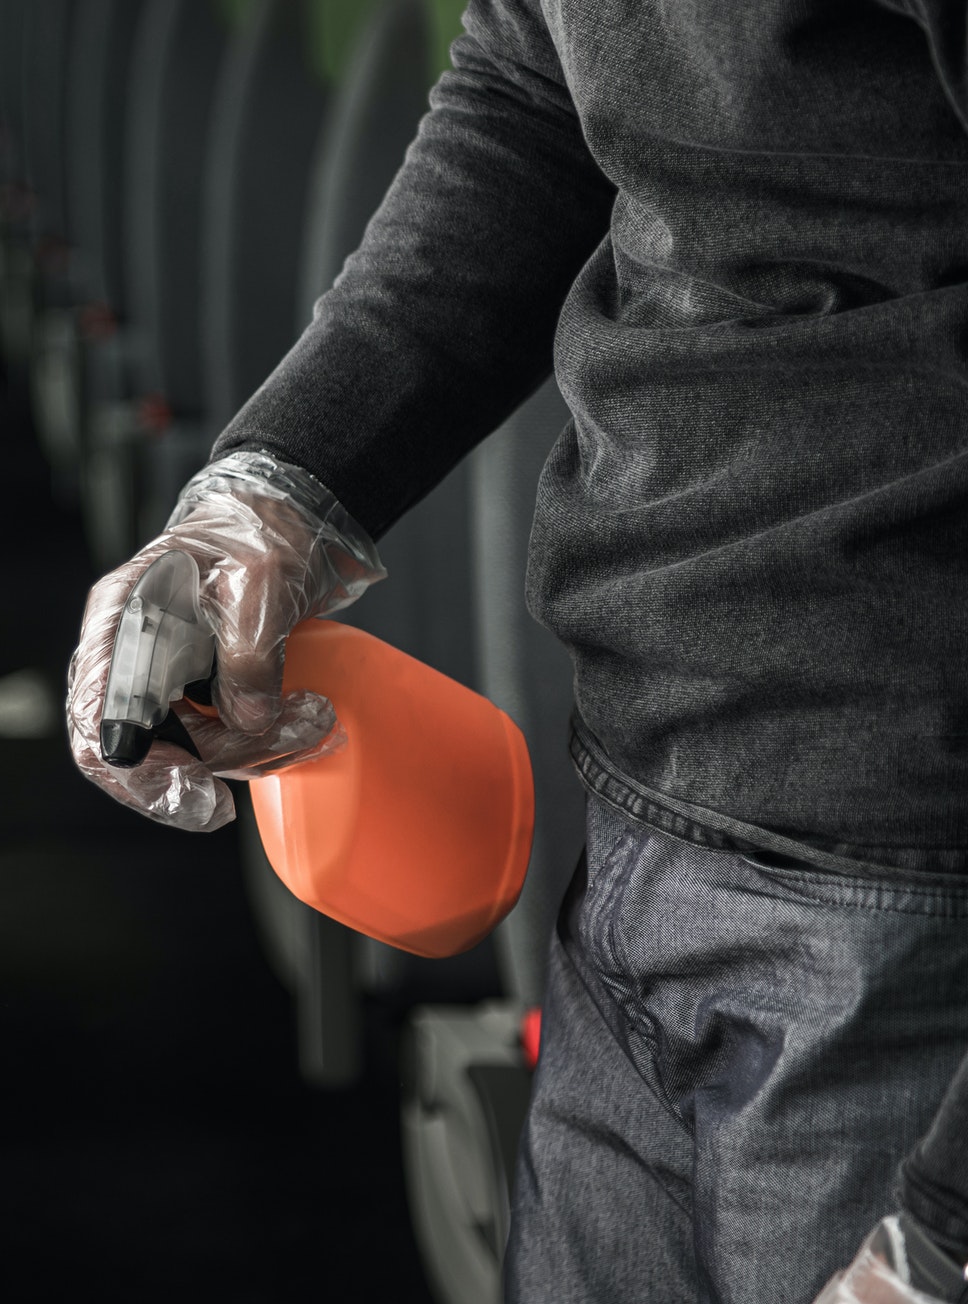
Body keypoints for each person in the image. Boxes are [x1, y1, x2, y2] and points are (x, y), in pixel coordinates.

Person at [64, 1, 968, 1301]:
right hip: (648, 797)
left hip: (908, 887)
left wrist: (949, 1222)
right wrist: (278, 487)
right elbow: (538, 88)